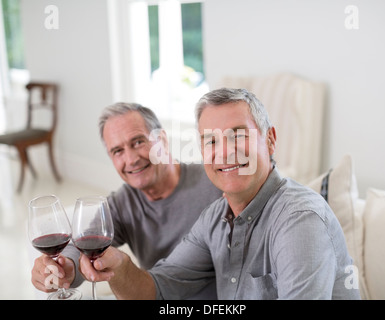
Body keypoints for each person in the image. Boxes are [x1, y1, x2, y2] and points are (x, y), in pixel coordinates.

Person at [77, 88, 361, 300]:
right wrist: (121, 268)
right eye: (211, 140)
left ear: (270, 140)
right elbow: (157, 290)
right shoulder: (215, 218)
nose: (224, 152)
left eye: (238, 135)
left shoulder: (299, 221)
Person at [30, 102, 223, 299]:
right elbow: (81, 245)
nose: (131, 159)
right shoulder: (122, 203)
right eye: (118, 151)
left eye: (138, 142)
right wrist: (66, 267)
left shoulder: (216, 182)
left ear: (162, 140)